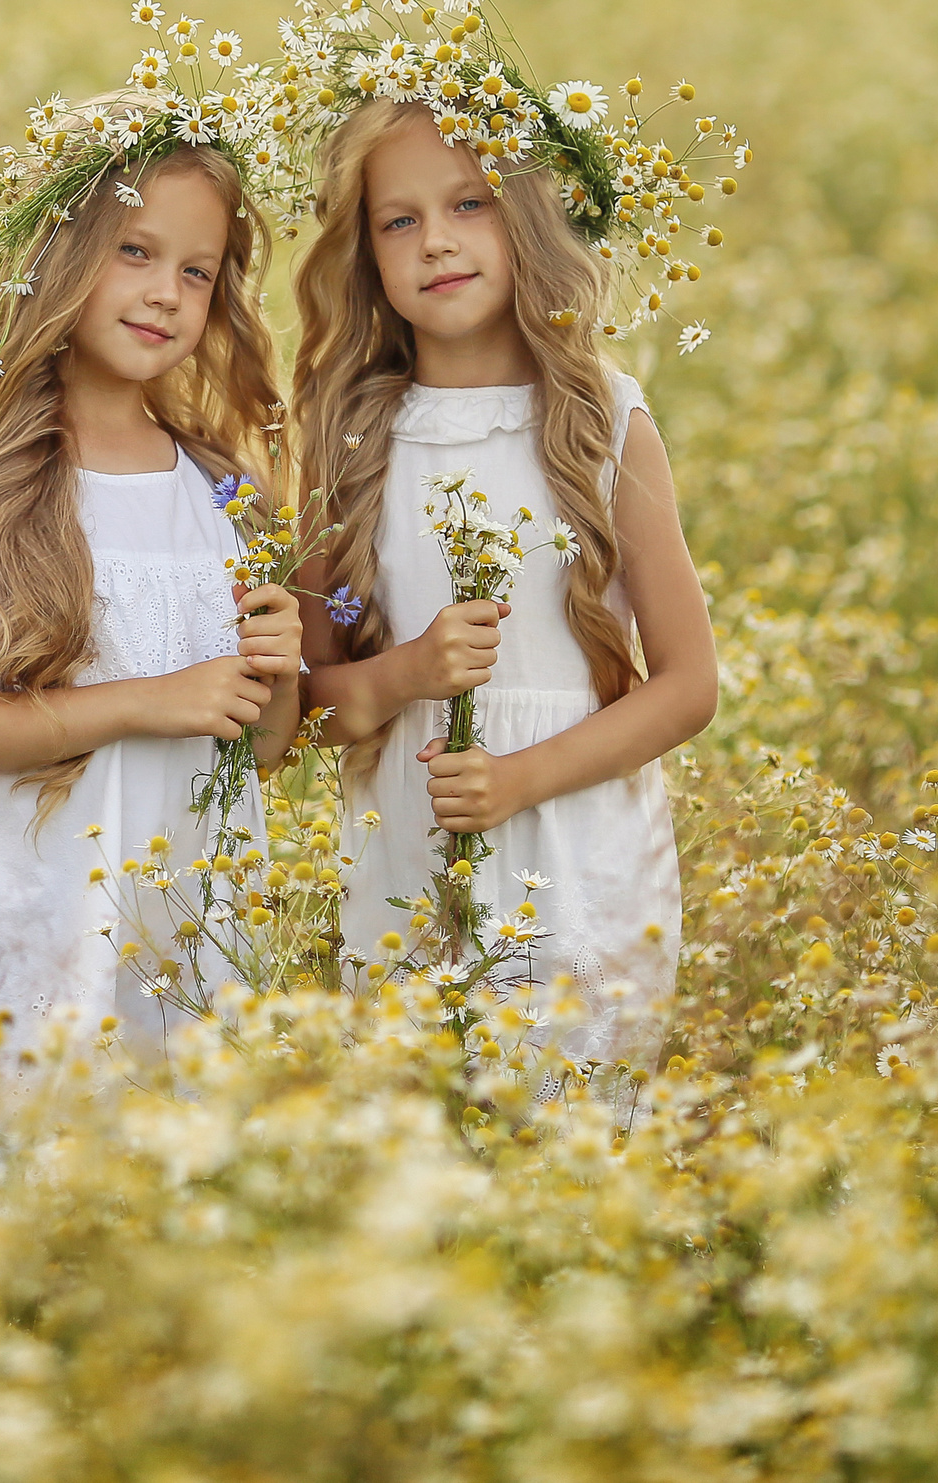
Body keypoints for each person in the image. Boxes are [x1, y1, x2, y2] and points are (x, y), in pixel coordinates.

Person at [0, 129, 301, 1139]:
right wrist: (151, 699)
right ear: (60, 258)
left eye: (197, 271)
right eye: (134, 253)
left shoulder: (222, 485)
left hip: (179, 930)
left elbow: (262, 752)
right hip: (27, 920)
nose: (165, 294)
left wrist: (277, 664)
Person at [292, 100, 717, 1078]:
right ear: (366, 254)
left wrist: (518, 780)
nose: (434, 241)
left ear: (524, 217)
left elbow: (687, 685)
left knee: (565, 1146)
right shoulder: (347, 444)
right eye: (398, 221)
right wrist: (404, 671)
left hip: (577, 845)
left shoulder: (600, 422)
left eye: (469, 204)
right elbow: (320, 682)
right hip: (407, 840)